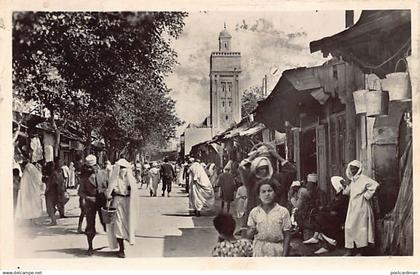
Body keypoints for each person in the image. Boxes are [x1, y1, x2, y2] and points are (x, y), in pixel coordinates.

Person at [302, 176, 349, 254]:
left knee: (320, 217)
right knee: (318, 216)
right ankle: (319, 239)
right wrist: (326, 209)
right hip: (334, 214)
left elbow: (334, 207)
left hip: (340, 217)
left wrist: (324, 208)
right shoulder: (338, 194)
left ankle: (323, 241)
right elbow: (331, 206)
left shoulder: (343, 195)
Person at [247, 179, 292, 257]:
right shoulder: (254, 212)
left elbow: (287, 235)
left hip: (277, 250)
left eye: (270, 191)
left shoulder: (283, 211)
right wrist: (251, 232)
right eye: (263, 192)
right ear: (258, 195)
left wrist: (284, 255)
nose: (267, 194)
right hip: (259, 251)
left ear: (275, 193)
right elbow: (249, 235)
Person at [342, 160, 379, 256]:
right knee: (349, 227)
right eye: (351, 168)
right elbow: (346, 192)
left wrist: (366, 195)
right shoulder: (353, 180)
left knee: (360, 229)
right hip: (353, 207)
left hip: (361, 207)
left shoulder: (363, 178)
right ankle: (349, 249)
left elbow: (375, 185)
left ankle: (360, 251)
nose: (353, 170)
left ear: (359, 169)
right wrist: (343, 186)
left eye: (355, 168)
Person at [106, 158, 139, 258]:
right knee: (118, 225)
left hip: (128, 204)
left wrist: (130, 189)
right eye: (121, 168)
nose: (123, 170)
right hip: (117, 203)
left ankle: (125, 243)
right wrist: (111, 194)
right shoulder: (114, 179)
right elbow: (109, 192)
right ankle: (121, 248)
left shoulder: (130, 180)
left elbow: (135, 192)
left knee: (128, 224)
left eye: (125, 168)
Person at [77, 155, 106, 253]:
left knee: (107, 224)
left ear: (96, 165)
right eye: (88, 167)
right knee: (90, 225)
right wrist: (89, 198)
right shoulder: (84, 178)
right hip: (90, 204)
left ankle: (116, 244)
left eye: (92, 167)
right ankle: (90, 247)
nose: (90, 169)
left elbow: (108, 186)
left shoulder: (103, 174)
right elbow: (80, 192)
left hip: (102, 202)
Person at [294, 173, 319, 238]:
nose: (307, 185)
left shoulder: (304, 191)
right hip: (308, 210)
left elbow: (298, 205)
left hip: (312, 212)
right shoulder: (306, 191)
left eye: (309, 183)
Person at [44, 161, 66, 225]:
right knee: (53, 206)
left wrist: (47, 189)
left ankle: (54, 221)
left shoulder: (53, 174)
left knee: (50, 207)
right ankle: (54, 219)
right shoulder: (57, 173)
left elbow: (53, 183)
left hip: (52, 192)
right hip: (56, 192)